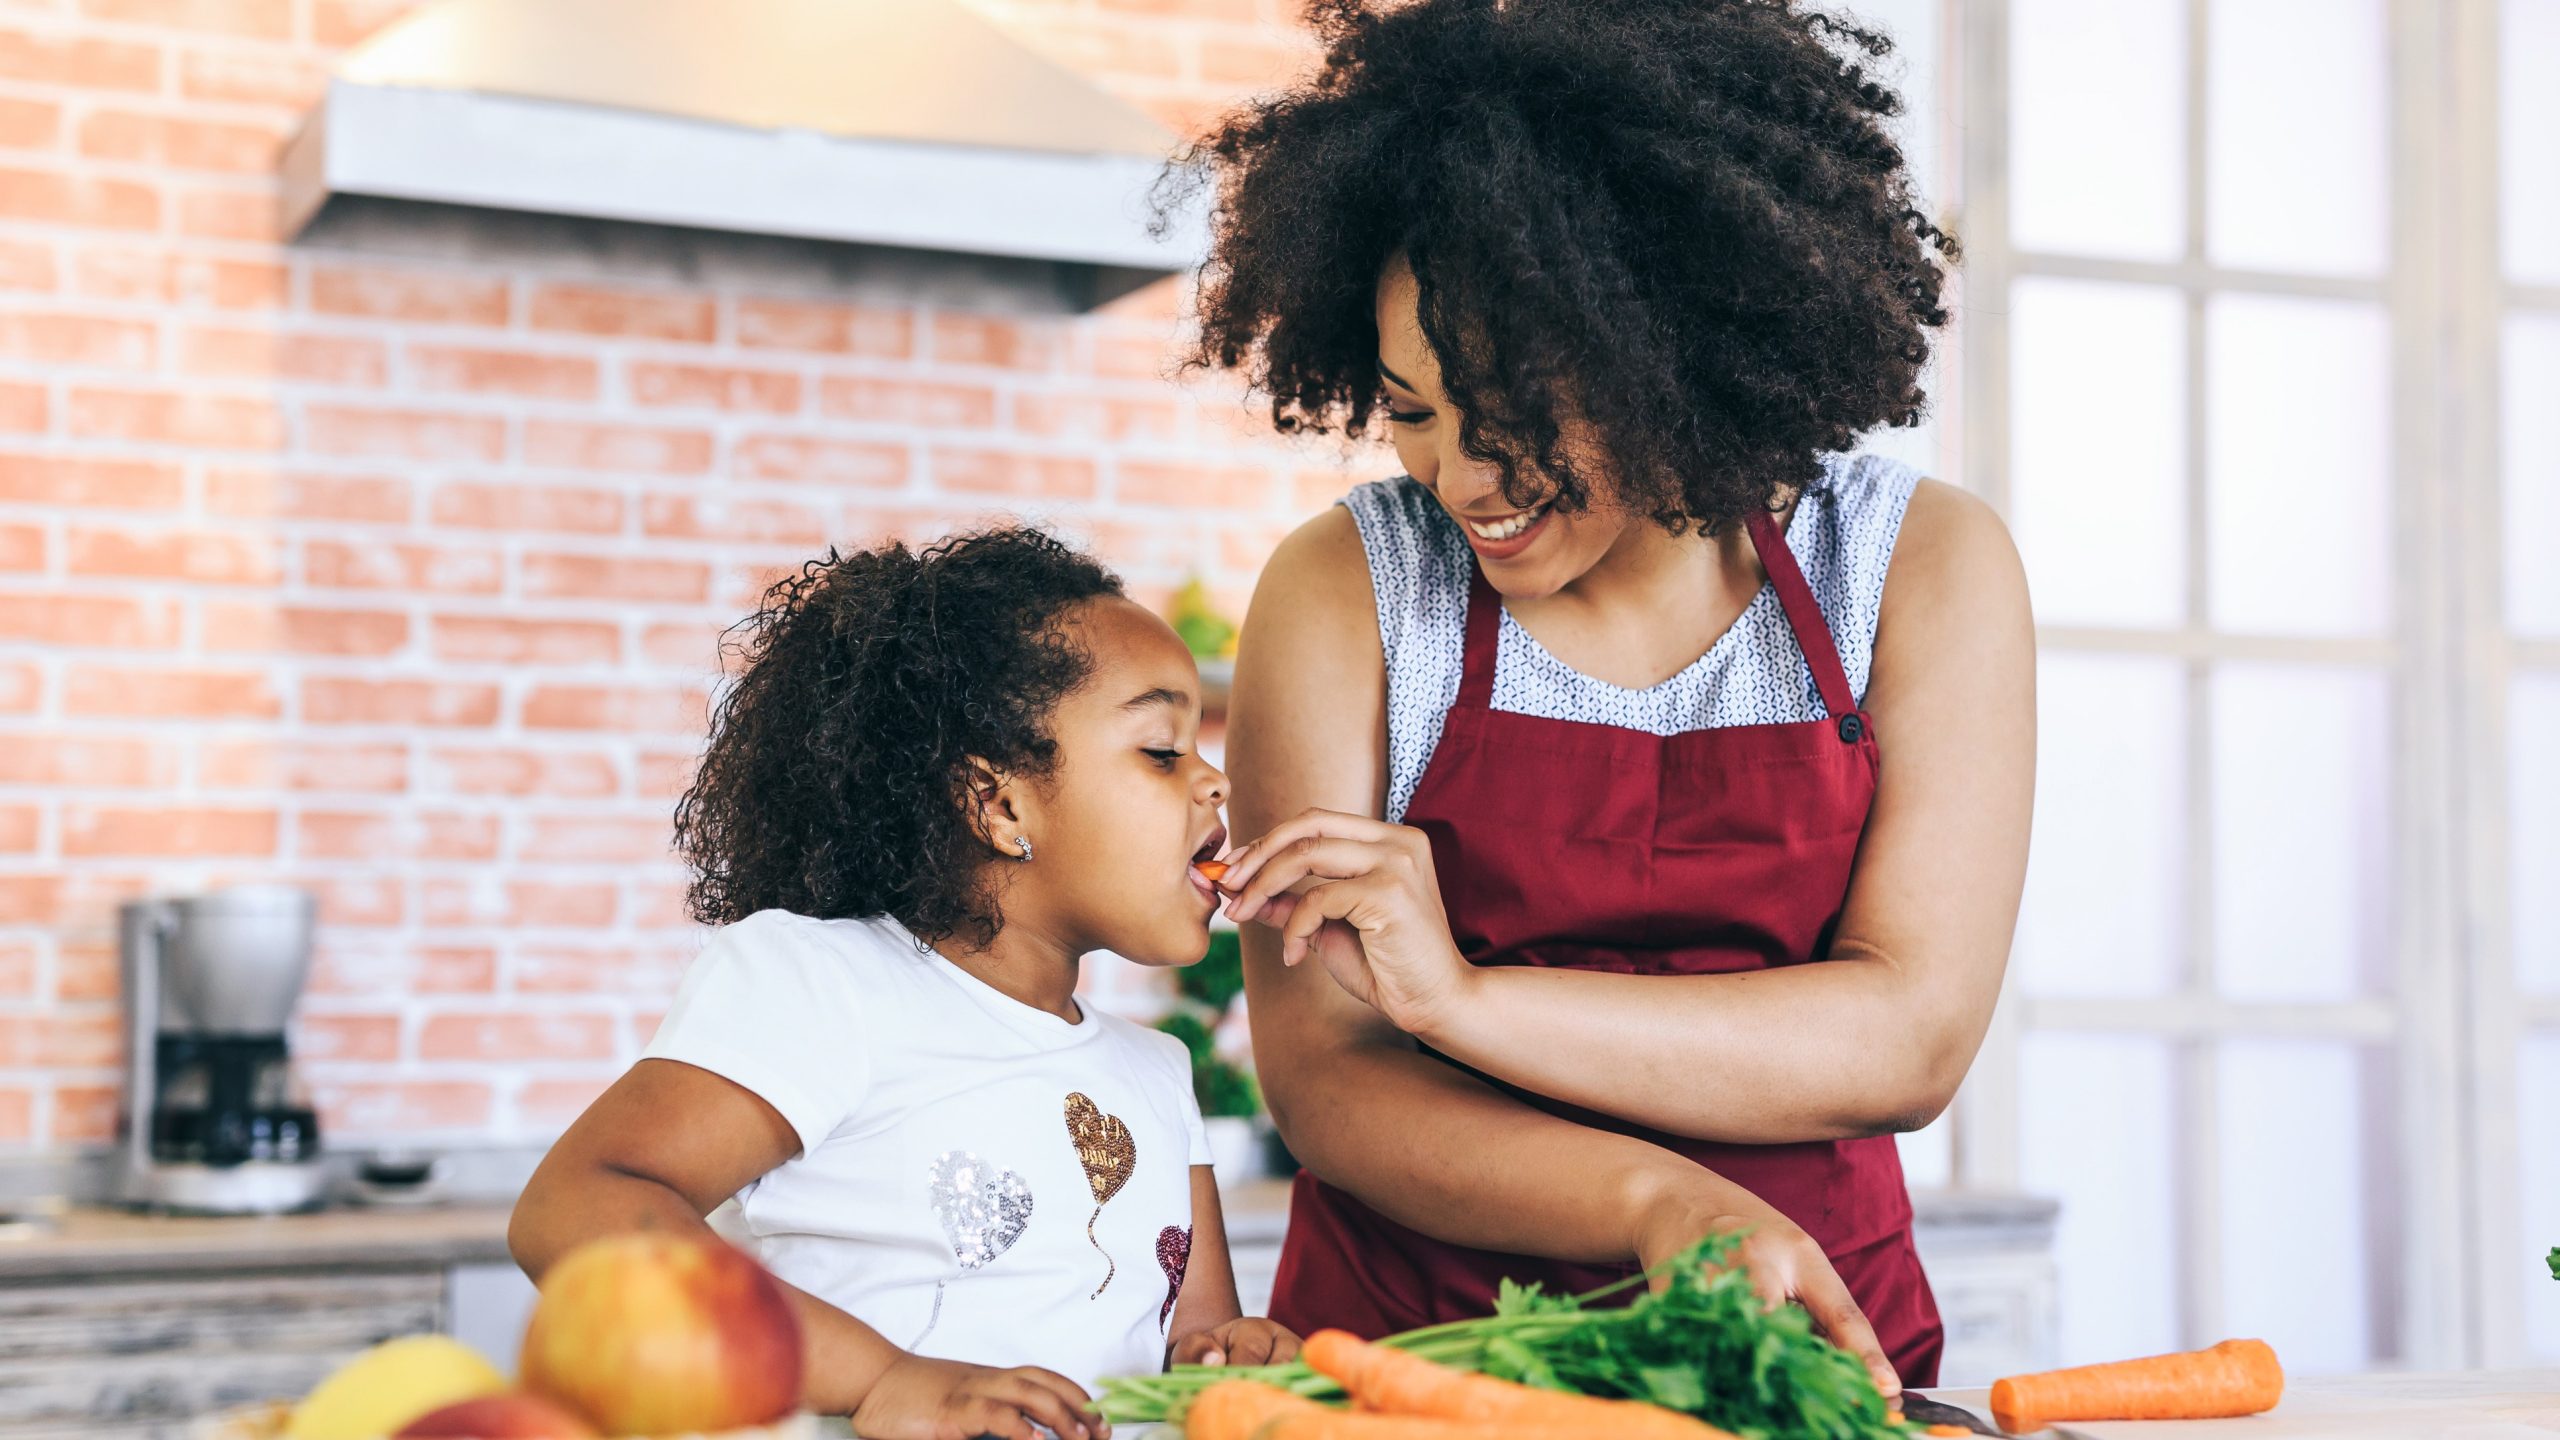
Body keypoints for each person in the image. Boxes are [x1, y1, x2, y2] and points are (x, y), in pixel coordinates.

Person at [1176, 0, 2035, 1396]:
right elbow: (1328, 1080)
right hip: (1417, 1373)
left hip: (1795, 1364)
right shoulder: (1348, 589)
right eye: (1413, 409)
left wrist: (1460, 1002)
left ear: (1672, 350)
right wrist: (1658, 1200)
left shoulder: (1920, 568)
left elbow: (1908, 1037)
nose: (1461, 479)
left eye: (1516, 422)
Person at [509, 528, 1299, 1440]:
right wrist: (881, 1378)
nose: (1214, 779)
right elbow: (573, 1208)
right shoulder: (825, 984)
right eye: (1162, 751)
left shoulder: (1157, 1074)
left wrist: (1230, 1358)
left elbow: (1186, 1342)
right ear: (999, 805)